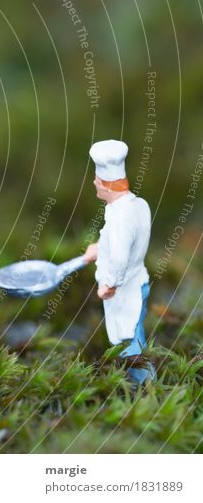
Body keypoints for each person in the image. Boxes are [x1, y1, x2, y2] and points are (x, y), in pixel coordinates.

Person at [82, 139, 154, 384]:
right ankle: (143, 381)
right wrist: (100, 249)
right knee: (134, 333)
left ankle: (144, 386)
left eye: (97, 180)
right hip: (139, 279)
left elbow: (122, 256)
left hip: (126, 290)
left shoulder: (119, 218)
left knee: (129, 339)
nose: (94, 183)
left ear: (106, 185)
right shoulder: (137, 205)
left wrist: (110, 284)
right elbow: (127, 243)